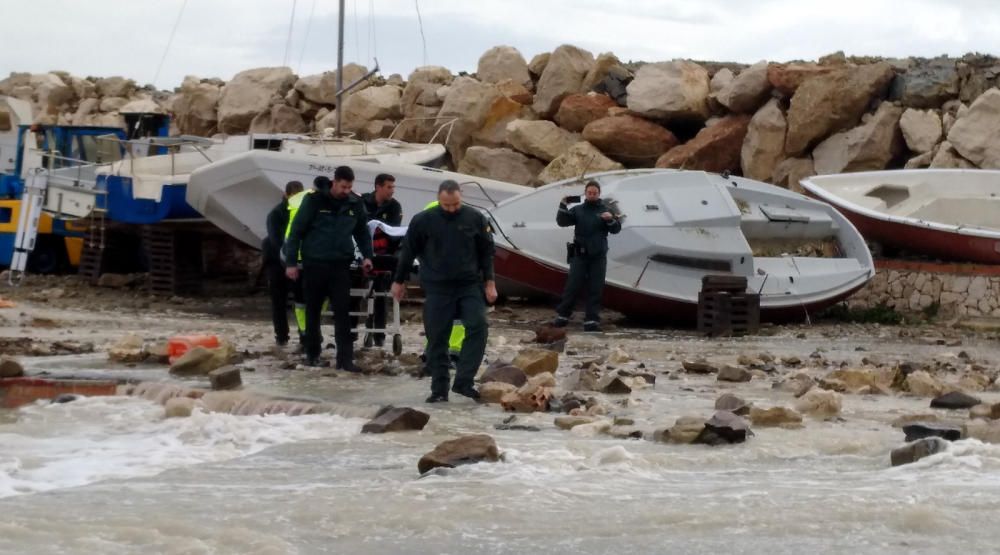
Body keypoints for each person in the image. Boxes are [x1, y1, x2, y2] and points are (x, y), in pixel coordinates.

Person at [392, 180, 497, 403]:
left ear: (462, 197)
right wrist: (398, 281)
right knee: (437, 339)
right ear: (439, 199)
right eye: (447, 205)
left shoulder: (475, 218)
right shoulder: (423, 220)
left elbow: (487, 253)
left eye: (455, 204)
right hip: (437, 286)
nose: (451, 209)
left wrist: (490, 283)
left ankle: (464, 381)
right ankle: (439, 390)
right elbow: (408, 252)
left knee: (478, 326)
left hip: (468, 284)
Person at [285, 166, 373, 370]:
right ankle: (313, 354)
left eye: (349, 187)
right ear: (334, 182)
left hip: (340, 265)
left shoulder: (355, 203)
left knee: (342, 312)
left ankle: (345, 360)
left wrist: (367, 256)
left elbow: (362, 232)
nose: (346, 191)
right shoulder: (314, 201)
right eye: (343, 186)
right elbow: (296, 232)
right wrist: (291, 263)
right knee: (313, 311)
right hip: (314, 263)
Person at [552, 180, 621, 332]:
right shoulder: (578, 210)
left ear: (599, 194)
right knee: (572, 286)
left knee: (595, 288)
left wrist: (610, 220)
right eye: (589, 193)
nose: (592, 195)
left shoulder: (606, 209)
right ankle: (562, 316)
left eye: (594, 193)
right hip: (580, 255)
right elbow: (562, 222)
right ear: (585, 193)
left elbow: (616, 229)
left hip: (598, 256)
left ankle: (591, 320)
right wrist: (563, 204)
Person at [361, 173, 403, 346]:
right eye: (389, 187)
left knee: (380, 294)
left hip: (384, 254)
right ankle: (355, 332)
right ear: (378, 186)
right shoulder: (363, 202)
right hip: (363, 253)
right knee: (356, 294)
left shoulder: (394, 207)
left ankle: (379, 335)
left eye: (393, 187)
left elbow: (394, 233)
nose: (392, 191)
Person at [283, 177, 324, 347]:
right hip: (313, 257)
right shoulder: (318, 203)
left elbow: (288, 235)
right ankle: (312, 329)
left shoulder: (293, 204)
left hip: (296, 257)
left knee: (300, 299)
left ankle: (305, 331)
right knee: (318, 296)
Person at [263, 180, 304, 346]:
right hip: (275, 260)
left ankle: (304, 335)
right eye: (293, 196)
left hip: (297, 260)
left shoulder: (304, 210)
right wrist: (289, 262)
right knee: (278, 300)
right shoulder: (276, 214)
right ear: (286, 195)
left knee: (302, 300)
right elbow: (275, 240)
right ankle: (281, 336)